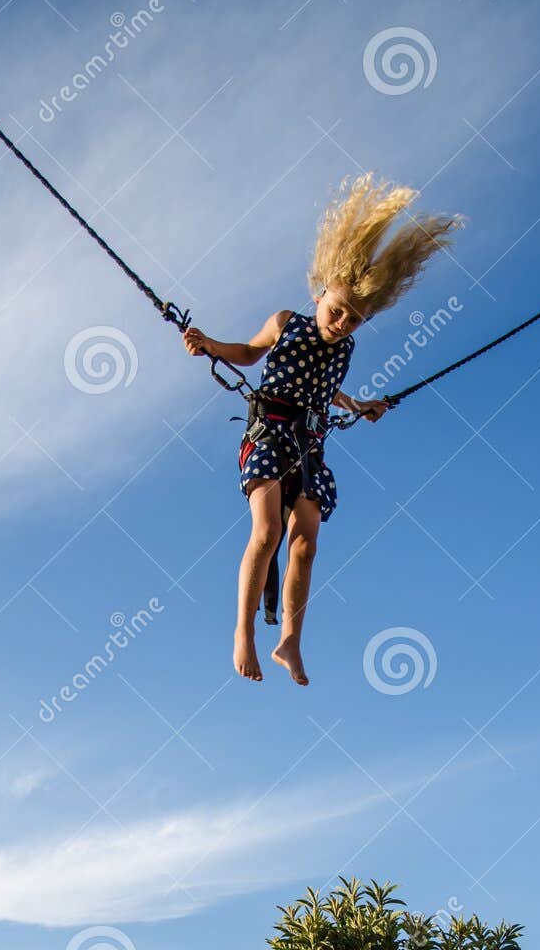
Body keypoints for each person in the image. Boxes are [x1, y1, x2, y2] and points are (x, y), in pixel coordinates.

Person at [184, 176, 461, 686]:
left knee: (306, 547)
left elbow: (325, 390)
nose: (341, 324)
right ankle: (243, 633)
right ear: (321, 293)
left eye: (354, 320)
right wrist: (211, 345)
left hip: (310, 447)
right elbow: (249, 353)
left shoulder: (345, 351)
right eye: (337, 311)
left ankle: (290, 640)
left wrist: (360, 404)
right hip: (269, 435)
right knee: (266, 532)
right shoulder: (287, 321)